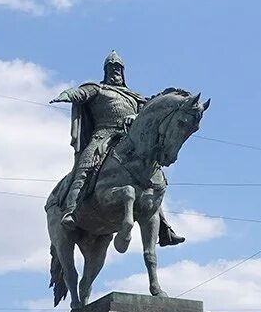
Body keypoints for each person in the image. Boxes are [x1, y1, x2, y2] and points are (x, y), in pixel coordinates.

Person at [51, 51, 184, 246]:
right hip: (101, 136)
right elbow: (80, 93)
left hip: (129, 140)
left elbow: (149, 113)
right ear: (105, 71)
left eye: (118, 68)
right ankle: (71, 210)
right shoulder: (98, 89)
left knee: (151, 176)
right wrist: (67, 94)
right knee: (84, 167)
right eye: (111, 68)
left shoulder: (134, 96)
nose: (115, 71)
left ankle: (164, 227)